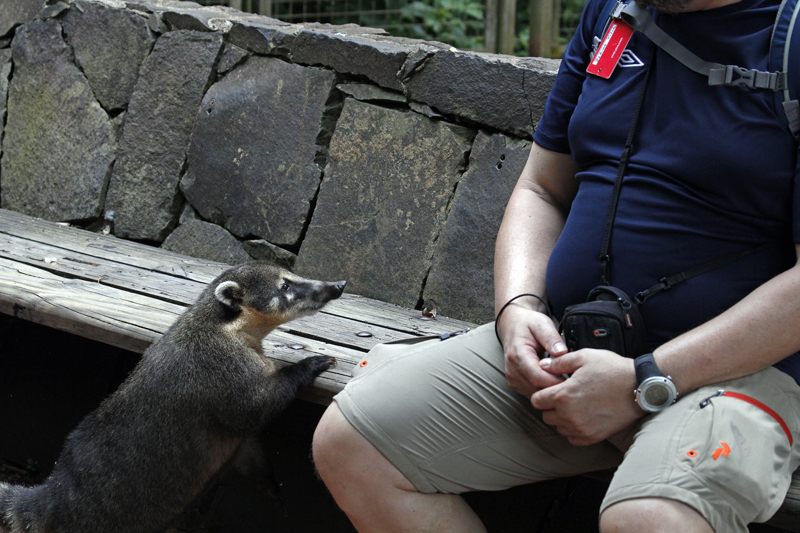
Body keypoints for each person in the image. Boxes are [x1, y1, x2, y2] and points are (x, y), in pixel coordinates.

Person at [311, 0, 800, 529]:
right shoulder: (612, 14)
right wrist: (516, 309)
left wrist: (647, 378)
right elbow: (541, 189)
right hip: (570, 346)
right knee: (353, 444)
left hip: (736, 374)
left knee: (650, 521)